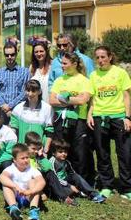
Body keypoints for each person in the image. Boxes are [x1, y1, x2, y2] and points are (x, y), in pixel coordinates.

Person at [87, 45, 131, 200]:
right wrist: (90, 115)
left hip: (119, 118)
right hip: (100, 118)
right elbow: (92, 98)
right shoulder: (93, 75)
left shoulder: (120, 73)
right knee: (102, 153)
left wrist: (127, 117)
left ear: (110, 57)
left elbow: (126, 96)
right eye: (97, 57)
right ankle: (107, 185)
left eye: (103, 57)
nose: (100, 60)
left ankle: (127, 187)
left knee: (125, 153)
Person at [48, 52, 94, 185]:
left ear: (74, 64)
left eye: (64, 63)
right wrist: (73, 99)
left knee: (79, 153)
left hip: (79, 120)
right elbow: (52, 100)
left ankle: (80, 183)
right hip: (61, 120)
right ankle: (60, 180)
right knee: (60, 150)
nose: (61, 66)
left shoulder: (84, 80)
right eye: (61, 63)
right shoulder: (59, 80)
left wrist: (63, 98)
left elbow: (83, 100)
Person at [46, 138, 106, 204]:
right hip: (57, 184)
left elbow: (72, 173)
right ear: (53, 153)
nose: (63, 154)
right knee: (69, 191)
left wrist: (72, 183)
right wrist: (69, 186)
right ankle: (78, 193)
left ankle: (94, 194)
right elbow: (55, 179)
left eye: (65, 152)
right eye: (60, 152)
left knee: (75, 176)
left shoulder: (66, 161)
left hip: (65, 181)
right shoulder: (51, 162)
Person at [0, 144, 46, 220]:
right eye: (22, 158)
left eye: (27, 157)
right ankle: (14, 208)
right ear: (14, 160)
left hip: (28, 196)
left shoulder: (32, 169)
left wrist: (31, 191)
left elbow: (42, 182)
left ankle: (33, 210)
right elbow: (1, 177)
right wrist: (15, 186)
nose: (26, 160)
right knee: (6, 185)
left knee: (33, 182)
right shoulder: (11, 168)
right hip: (14, 196)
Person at [10, 80, 53, 151]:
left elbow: (49, 132)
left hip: (38, 151)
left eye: (33, 91)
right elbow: (13, 130)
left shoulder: (47, 109)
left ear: (39, 92)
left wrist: (45, 149)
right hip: (22, 150)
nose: (30, 94)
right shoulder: (18, 108)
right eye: (28, 90)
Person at [0, 43, 29, 124]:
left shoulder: (25, 72)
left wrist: (10, 106)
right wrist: (4, 106)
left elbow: (25, 92)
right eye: (7, 55)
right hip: (2, 111)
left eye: (12, 55)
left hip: (19, 110)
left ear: (16, 54)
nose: (9, 57)